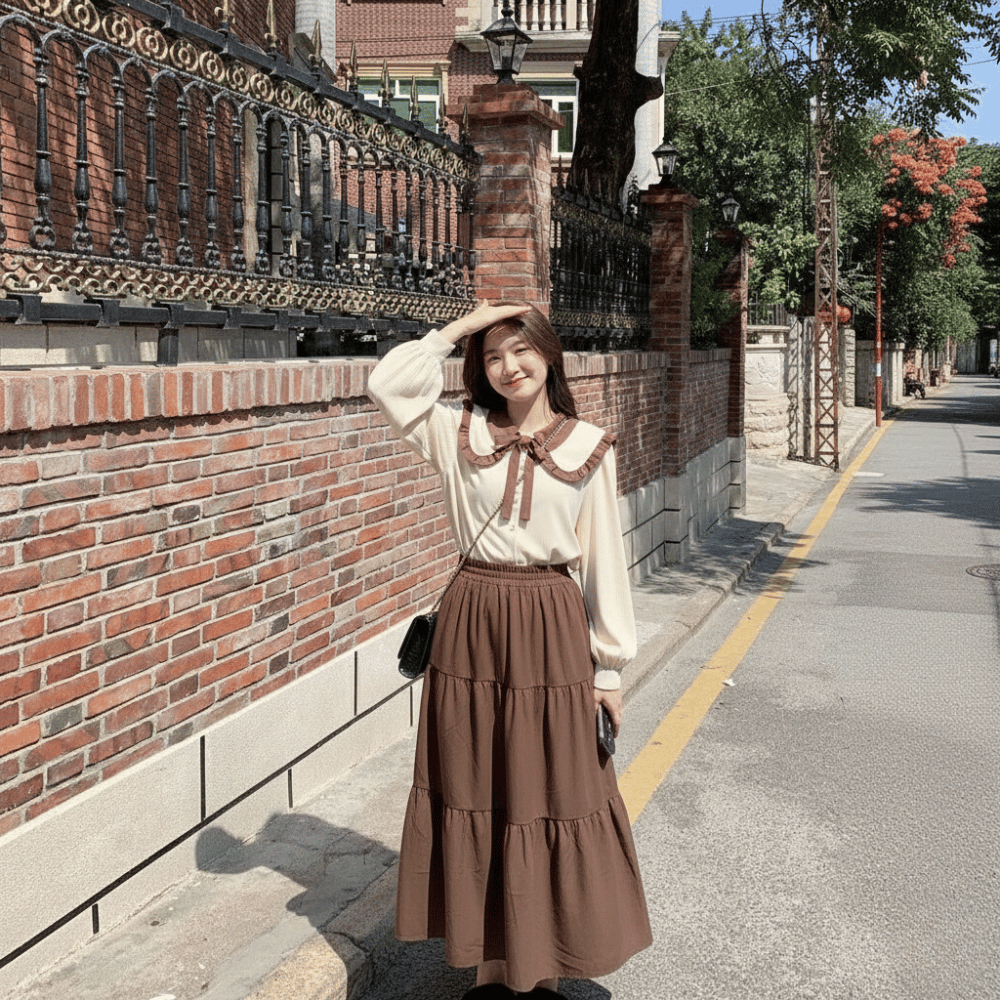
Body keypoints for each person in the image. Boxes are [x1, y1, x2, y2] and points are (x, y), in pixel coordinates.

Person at [366, 301, 652, 999]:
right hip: (472, 626)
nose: (508, 367)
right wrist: (459, 328)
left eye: (520, 350)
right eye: (492, 357)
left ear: (548, 355)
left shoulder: (588, 447)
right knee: (477, 785)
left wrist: (609, 668)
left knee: (551, 788)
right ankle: (491, 971)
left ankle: (543, 972)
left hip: (552, 629)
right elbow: (387, 384)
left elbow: (603, 562)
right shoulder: (456, 432)